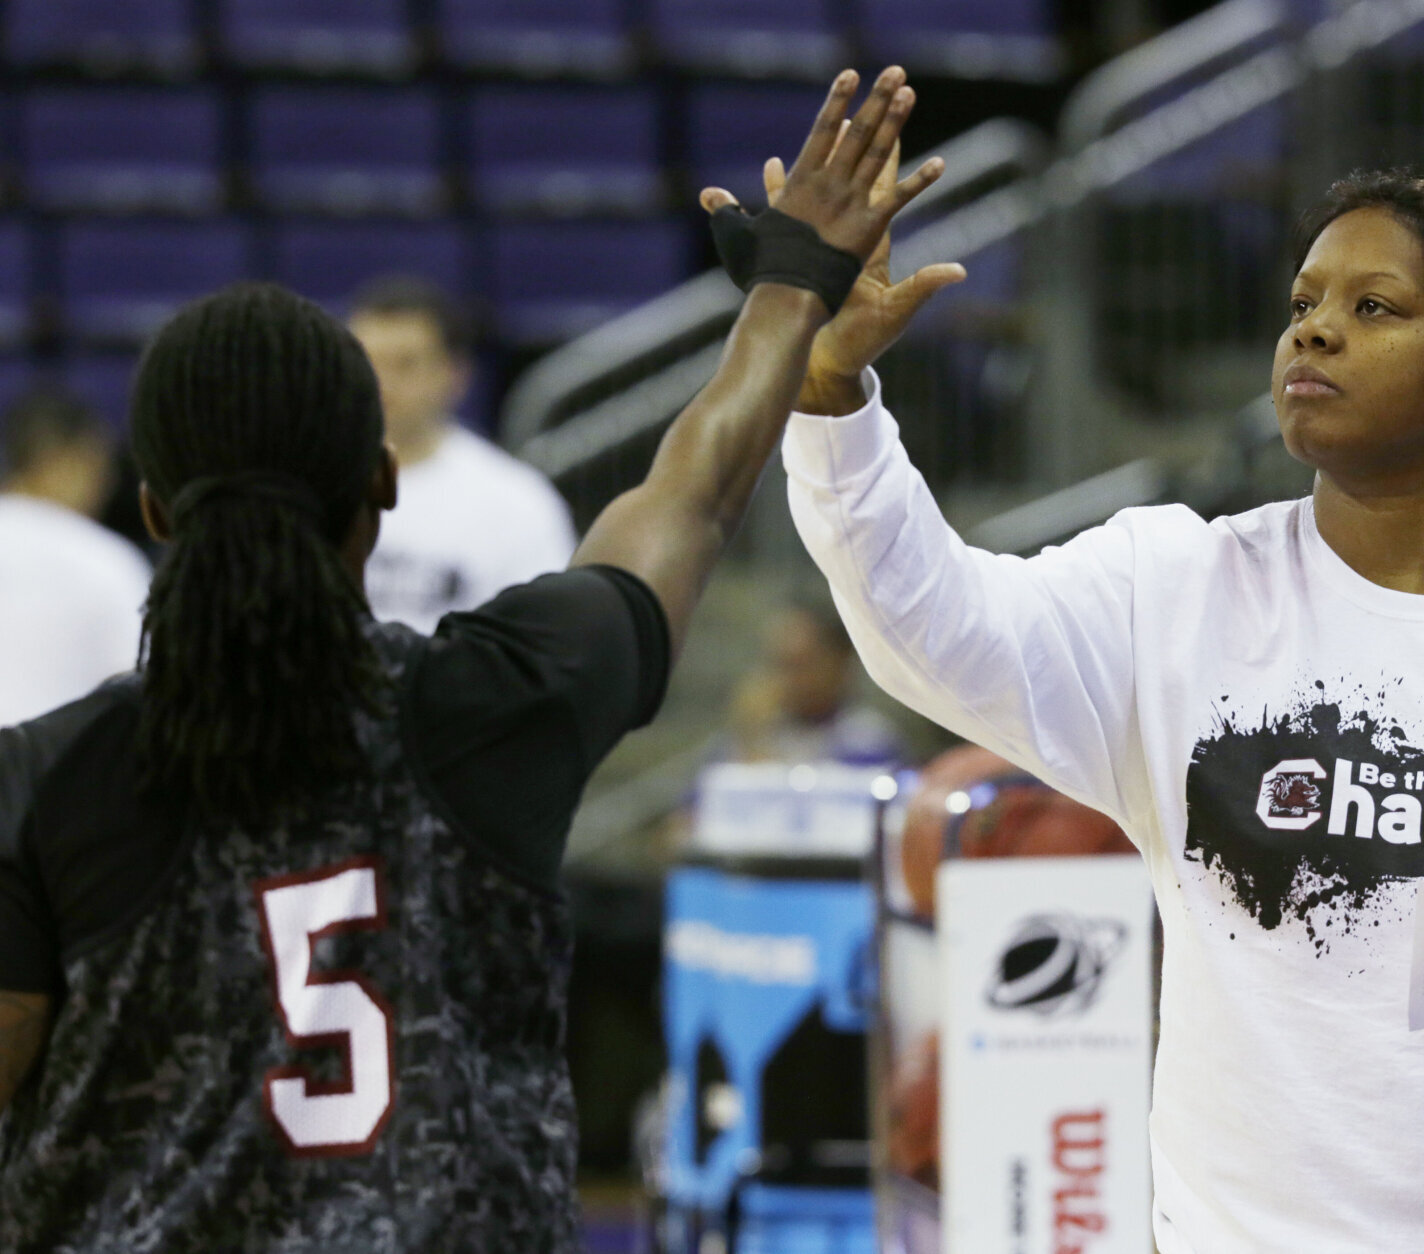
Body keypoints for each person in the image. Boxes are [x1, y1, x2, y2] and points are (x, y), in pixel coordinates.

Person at [781, 170, 1424, 1253]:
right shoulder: (1175, 591)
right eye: (1303, 303)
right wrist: (829, 387)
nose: (1314, 332)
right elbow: (928, 624)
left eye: (1372, 307)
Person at [0, 66, 944, 1251]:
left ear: (152, 512)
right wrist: (789, 287)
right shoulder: (495, 700)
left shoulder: (39, 777)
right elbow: (689, 498)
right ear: (379, 488)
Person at [348, 276, 579, 633]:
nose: (382, 382)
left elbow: (543, 637)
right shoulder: (301, 482)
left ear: (455, 374)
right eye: (367, 361)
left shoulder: (517, 501)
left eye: (405, 363)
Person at [0, 387, 150, 727]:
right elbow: (144, 694)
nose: (107, 484)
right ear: (74, 459)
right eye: (102, 467)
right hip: (55, 757)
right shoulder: (106, 560)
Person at [720, 595, 904, 767]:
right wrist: (751, 738)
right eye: (781, 664)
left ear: (838, 662)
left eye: (801, 664)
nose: (790, 679)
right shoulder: (747, 737)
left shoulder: (867, 741)